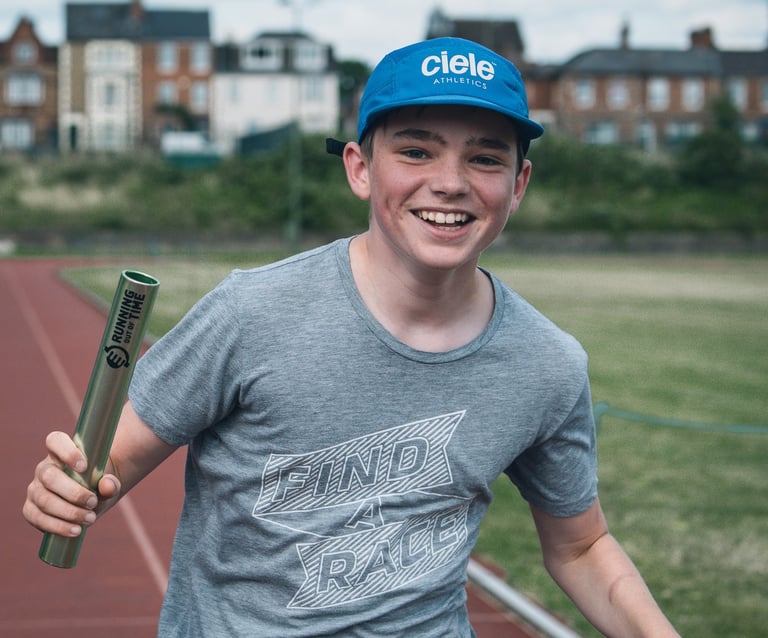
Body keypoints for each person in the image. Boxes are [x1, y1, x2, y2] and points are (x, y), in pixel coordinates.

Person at [24, 37, 680, 637]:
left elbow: (581, 546)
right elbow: (108, 463)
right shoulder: (251, 312)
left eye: (484, 158)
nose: (450, 182)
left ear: (518, 185)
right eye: (416, 150)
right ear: (360, 167)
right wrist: (69, 489)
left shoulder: (548, 365)